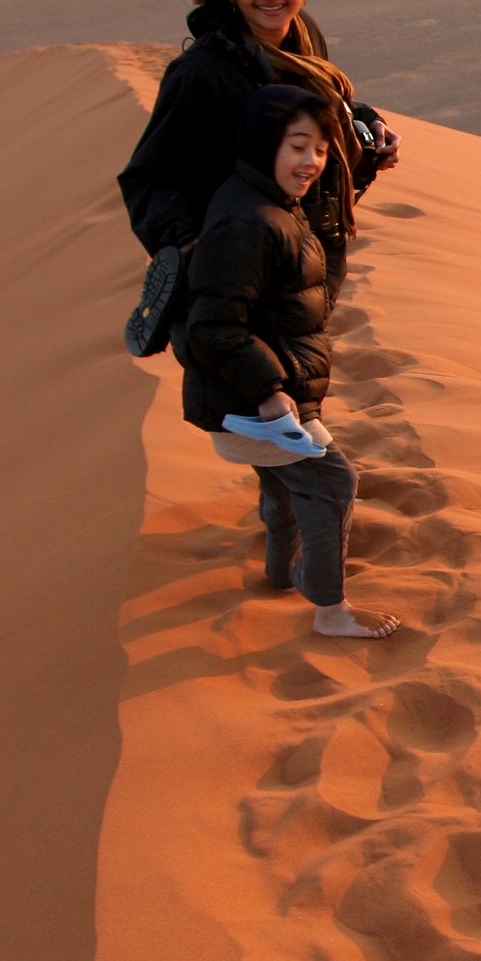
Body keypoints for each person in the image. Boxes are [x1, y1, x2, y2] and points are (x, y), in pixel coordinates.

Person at [185, 86, 400, 640]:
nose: (311, 162)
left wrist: (364, 171)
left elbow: (309, 269)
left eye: (322, 149)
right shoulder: (249, 221)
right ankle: (331, 610)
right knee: (334, 483)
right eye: (297, 146)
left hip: (254, 396)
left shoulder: (270, 203)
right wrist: (270, 389)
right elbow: (214, 325)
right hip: (256, 401)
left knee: (283, 483)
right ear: (264, 144)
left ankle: (280, 574)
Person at [118, 0, 398, 299]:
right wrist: (193, 251)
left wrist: (368, 124)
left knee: (306, 359)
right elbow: (148, 179)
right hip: (239, 273)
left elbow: (319, 108)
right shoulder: (203, 71)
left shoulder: (304, 37)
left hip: (311, 256)